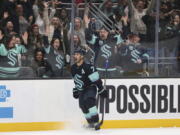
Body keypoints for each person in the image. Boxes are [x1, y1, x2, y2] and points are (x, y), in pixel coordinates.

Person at [71, 49, 107, 130]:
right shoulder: (73, 68)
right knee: (82, 105)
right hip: (82, 90)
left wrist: (101, 89)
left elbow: (96, 79)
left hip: (91, 87)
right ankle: (90, 123)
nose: (75, 56)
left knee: (89, 101)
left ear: (82, 56)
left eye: (77, 54)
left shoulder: (88, 66)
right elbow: (76, 80)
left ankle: (96, 122)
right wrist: (76, 89)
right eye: (74, 54)